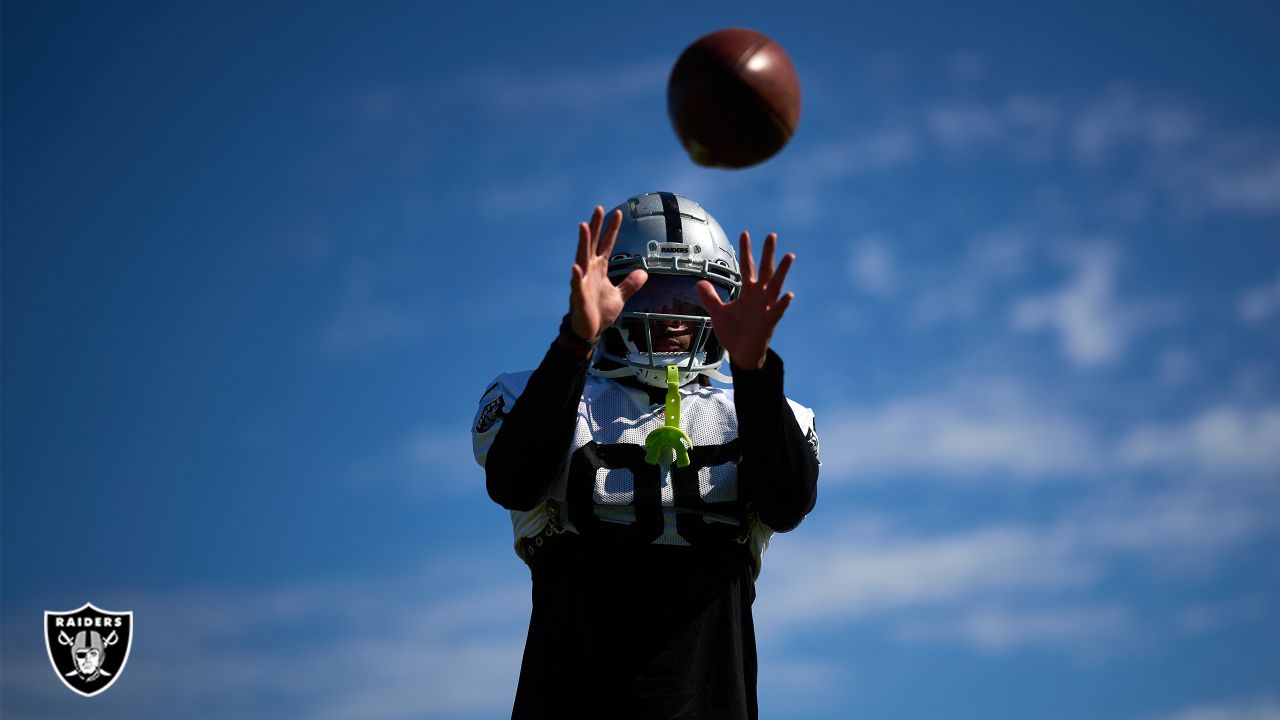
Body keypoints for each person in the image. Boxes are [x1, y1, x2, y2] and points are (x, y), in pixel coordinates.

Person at [472, 192, 819, 719]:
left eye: (693, 297)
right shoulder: (544, 396)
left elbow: (788, 503)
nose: (673, 316)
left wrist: (755, 375)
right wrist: (573, 344)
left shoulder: (760, 410)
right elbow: (515, 481)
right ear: (613, 295)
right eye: (652, 293)